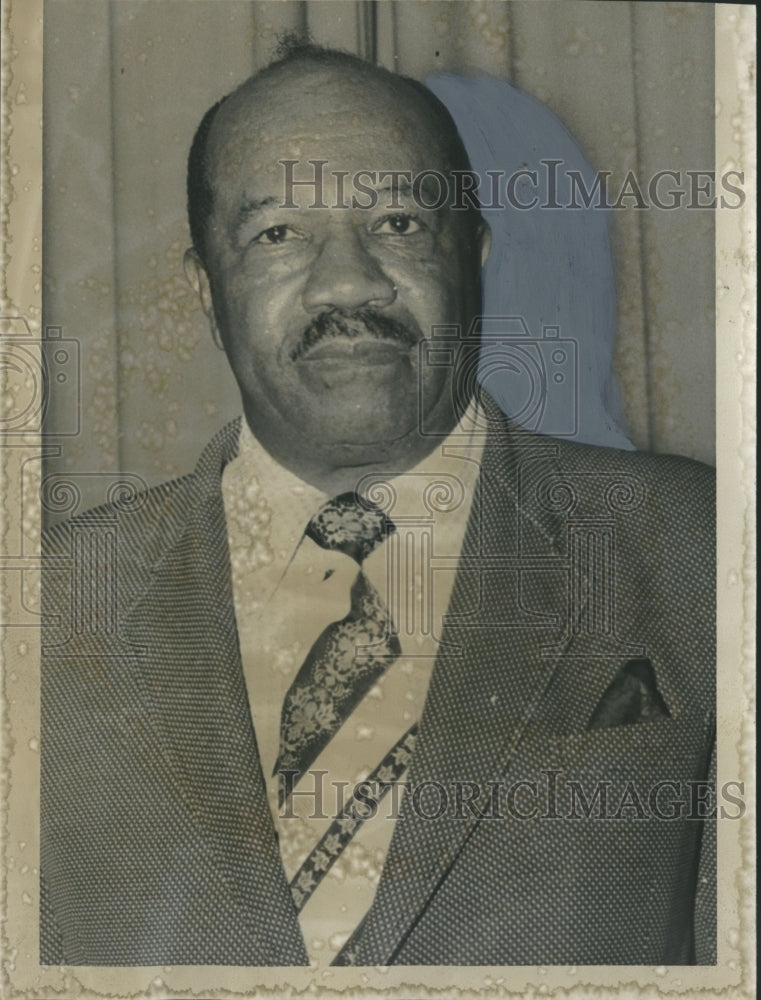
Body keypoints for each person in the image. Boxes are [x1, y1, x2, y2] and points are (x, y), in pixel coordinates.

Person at [40, 42, 715, 968]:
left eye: (398, 222)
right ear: (205, 287)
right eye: (277, 233)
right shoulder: (44, 610)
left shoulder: (700, 548)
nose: (347, 283)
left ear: (471, 259)